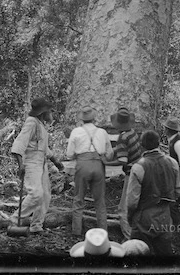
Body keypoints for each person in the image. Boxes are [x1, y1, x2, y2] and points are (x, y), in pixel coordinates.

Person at [11, 98, 64, 234]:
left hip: (42, 163)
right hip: (31, 162)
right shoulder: (31, 123)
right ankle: (15, 219)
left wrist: (56, 161)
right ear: (43, 112)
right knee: (36, 194)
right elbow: (19, 144)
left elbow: (44, 148)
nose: (52, 115)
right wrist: (20, 164)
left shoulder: (41, 125)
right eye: (50, 112)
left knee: (45, 195)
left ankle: (36, 225)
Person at [126, 129, 180, 256]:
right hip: (165, 217)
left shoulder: (139, 167)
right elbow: (177, 191)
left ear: (142, 146)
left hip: (143, 218)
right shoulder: (172, 163)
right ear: (158, 144)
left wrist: (130, 218)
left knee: (136, 255)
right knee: (165, 257)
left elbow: (131, 202)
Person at [66, 105, 114, 236]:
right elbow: (110, 154)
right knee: (100, 201)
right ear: (94, 119)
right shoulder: (102, 132)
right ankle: (103, 232)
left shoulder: (76, 132)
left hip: (82, 165)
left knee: (78, 199)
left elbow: (69, 154)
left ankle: (76, 231)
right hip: (98, 166)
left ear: (82, 119)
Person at [110, 106, 142, 240]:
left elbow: (122, 160)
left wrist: (105, 163)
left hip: (131, 173)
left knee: (123, 209)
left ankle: (129, 238)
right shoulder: (132, 132)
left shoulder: (122, 138)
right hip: (140, 170)